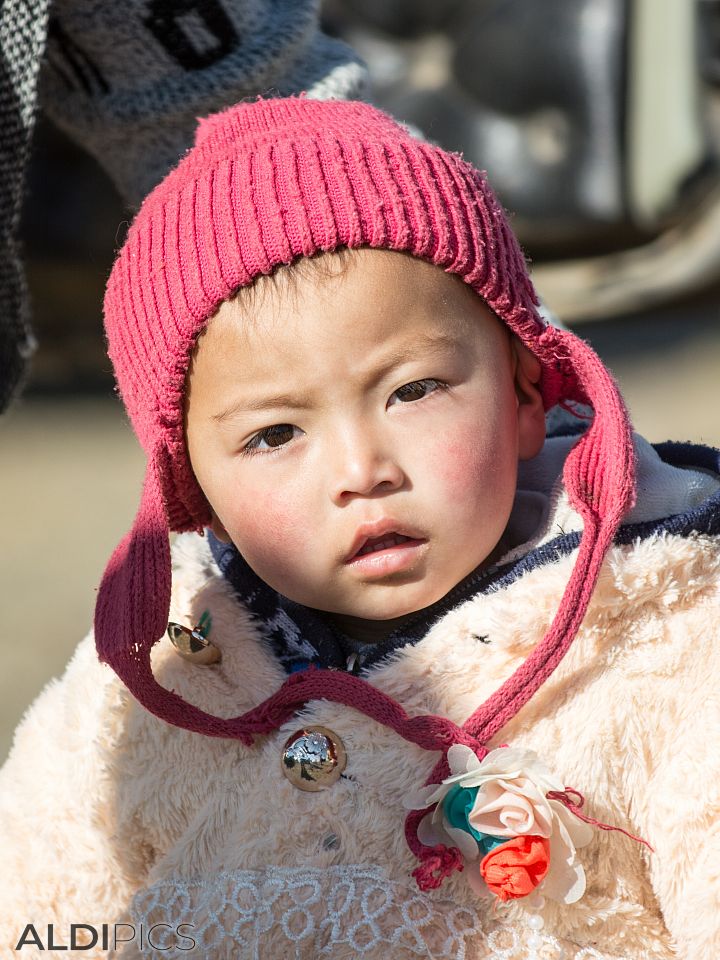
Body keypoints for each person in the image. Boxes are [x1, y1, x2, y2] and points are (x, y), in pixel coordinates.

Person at [1, 96, 719, 960]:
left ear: (530, 392)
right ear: (190, 484)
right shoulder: (155, 679)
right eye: (274, 434)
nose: (361, 470)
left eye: (412, 390)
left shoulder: (667, 636)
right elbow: (40, 919)